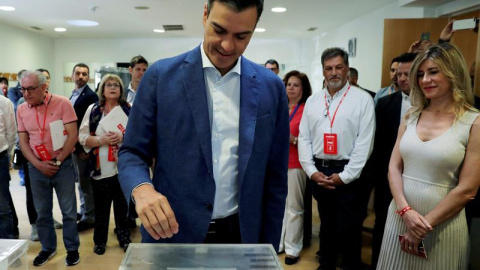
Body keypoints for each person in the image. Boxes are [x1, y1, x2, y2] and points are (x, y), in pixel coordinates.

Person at [118, 0, 289, 248]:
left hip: (242, 236)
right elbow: (132, 152)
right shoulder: (160, 77)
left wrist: (268, 249)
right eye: (219, 30)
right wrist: (142, 188)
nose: (228, 45)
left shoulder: (271, 87)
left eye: (242, 36)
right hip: (172, 232)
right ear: (205, 14)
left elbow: (275, 180)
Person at [376, 43, 479, 269]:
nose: (425, 80)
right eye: (421, 74)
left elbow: (468, 189)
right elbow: (394, 167)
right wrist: (405, 212)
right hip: (400, 216)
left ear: (453, 72)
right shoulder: (411, 115)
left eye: (433, 72)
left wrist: (423, 225)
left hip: (442, 223)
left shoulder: (473, 121)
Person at [298, 47, 375, 270]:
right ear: (323, 71)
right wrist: (312, 172)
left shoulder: (362, 100)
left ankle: (351, 265)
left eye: (338, 67)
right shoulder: (313, 101)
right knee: (326, 224)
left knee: (349, 227)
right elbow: (304, 139)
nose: (334, 73)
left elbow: (365, 143)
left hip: (349, 172)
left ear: (347, 69)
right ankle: (327, 264)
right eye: (328, 68)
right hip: (320, 170)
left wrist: (346, 176)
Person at [17, 70, 80, 266]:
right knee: (42, 212)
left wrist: (59, 161)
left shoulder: (62, 103)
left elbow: (72, 135)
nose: (26, 93)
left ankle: (72, 249)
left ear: (44, 87)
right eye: (23, 89)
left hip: (63, 165)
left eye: (30, 89)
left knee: (68, 211)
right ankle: (48, 248)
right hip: (36, 167)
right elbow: (23, 141)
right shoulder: (21, 109)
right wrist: (37, 164)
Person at [369, 52, 417, 269]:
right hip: (387, 178)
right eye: (399, 74)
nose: (402, 78)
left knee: (414, 227)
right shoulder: (385, 103)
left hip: (419, 179)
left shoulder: (433, 106)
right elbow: (378, 145)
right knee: (383, 223)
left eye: (407, 73)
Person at [79, 74, 132, 255]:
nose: (112, 87)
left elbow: (140, 135)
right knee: (101, 209)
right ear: (102, 89)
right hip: (100, 169)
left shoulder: (129, 109)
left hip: (122, 168)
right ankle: (99, 242)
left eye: (116, 85)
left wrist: (123, 138)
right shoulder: (93, 109)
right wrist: (101, 140)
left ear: (121, 89)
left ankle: (124, 238)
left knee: (122, 208)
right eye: (108, 84)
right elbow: (82, 137)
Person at [278, 70, 312, 265]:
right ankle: (280, 243)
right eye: (288, 84)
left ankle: (293, 248)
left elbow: (311, 140)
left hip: (296, 163)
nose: (291, 88)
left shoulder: (306, 109)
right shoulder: (280, 106)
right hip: (277, 164)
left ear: (303, 88)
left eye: (296, 85)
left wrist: (294, 140)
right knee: (279, 207)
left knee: (294, 208)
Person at [70, 63, 99, 232]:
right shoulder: (73, 95)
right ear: (73, 75)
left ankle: (90, 216)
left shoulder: (91, 96)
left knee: (86, 183)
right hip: (73, 147)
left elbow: (90, 125)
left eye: (84, 74)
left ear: (88, 77)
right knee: (80, 182)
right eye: (78, 73)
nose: (81, 76)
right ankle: (84, 210)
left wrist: (83, 150)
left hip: (83, 148)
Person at [0, 87, 16, 239]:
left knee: (3, 207)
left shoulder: (4, 103)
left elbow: (11, 133)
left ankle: (8, 246)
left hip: (0, 158)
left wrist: (7, 155)